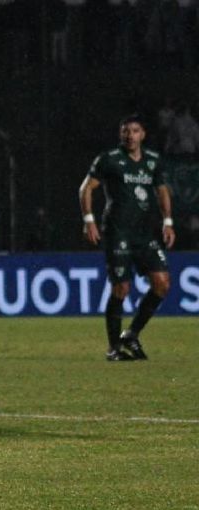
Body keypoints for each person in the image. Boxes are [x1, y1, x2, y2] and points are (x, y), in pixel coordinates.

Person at [78, 114, 176, 361]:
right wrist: (88, 220)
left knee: (162, 283)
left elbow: (162, 191)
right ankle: (114, 348)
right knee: (121, 287)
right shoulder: (109, 160)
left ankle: (131, 334)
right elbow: (86, 188)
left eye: (134, 131)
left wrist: (168, 222)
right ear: (121, 134)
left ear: (143, 134)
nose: (130, 135)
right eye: (125, 131)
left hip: (144, 233)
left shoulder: (153, 161)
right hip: (117, 231)